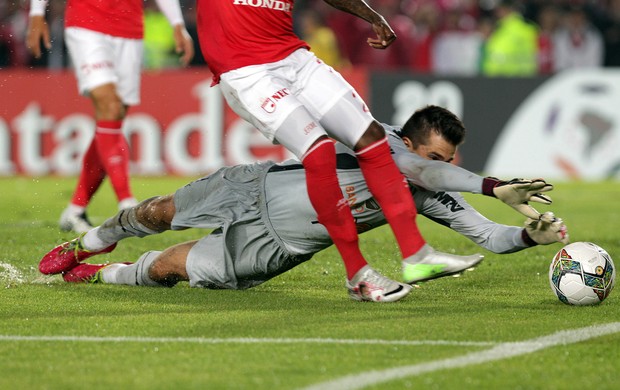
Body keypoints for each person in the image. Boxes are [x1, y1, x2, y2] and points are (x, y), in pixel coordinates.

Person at [38, 106, 567, 303]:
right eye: (436, 155)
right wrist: (492, 184)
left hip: (279, 244)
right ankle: (86, 241)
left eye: (452, 161)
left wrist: (527, 236)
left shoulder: (436, 193)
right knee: (155, 212)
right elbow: (416, 169)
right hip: (252, 187)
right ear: (407, 142)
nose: (441, 168)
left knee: (169, 268)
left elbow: (489, 236)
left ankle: (106, 274)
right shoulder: (375, 137)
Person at [192, 0, 484, 302]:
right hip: (247, 69)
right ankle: (358, 276)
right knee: (319, 153)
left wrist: (372, 15)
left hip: (293, 57)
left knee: (372, 137)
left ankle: (417, 255)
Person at [26, 0, 194, 233]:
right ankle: (127, 203)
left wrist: (177, 23)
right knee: (110, 108)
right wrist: (36, 13)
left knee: (111, 122)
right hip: (87, 24)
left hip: (130, 30)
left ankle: (75, 209)